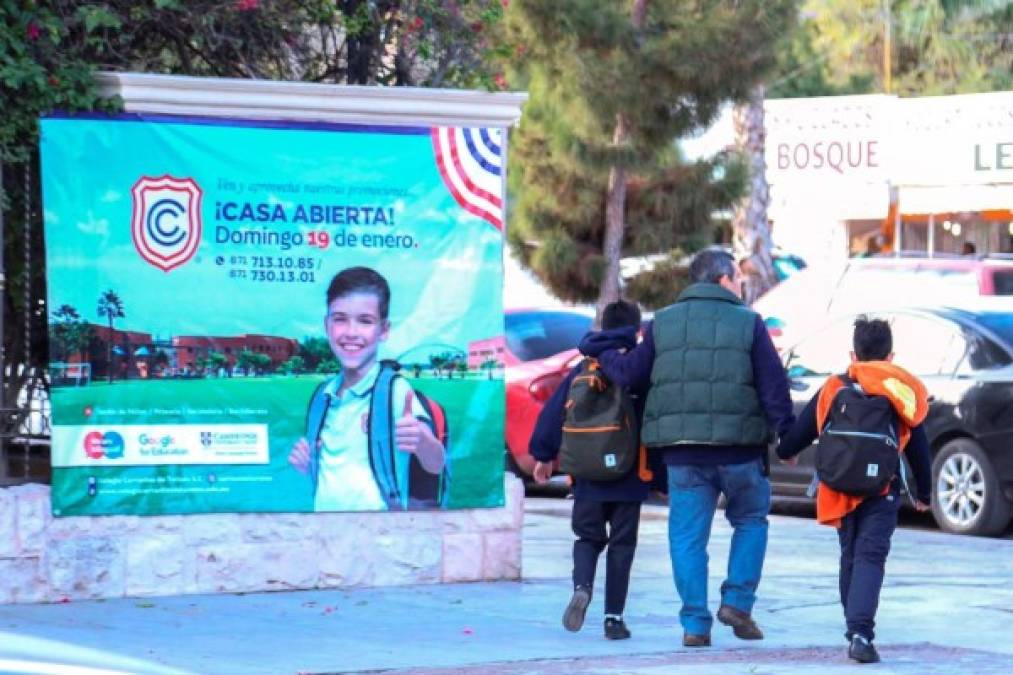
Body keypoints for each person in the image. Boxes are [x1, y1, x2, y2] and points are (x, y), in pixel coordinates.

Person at [580, 248, 794, 648]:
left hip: (682, 453)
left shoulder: (663, 322)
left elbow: (630, 373)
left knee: (686, 536)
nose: (742, 283)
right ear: (722, 280)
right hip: (740, 451)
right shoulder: (749, 323)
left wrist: (603, 349)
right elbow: (773, 387)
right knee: (750, 521)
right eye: (737, 276)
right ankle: (738, 601)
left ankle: (696, 624)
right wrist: (787, 436)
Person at [775, 316, 931, 664]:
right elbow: (919, 444)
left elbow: (800, 433)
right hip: (882, 487)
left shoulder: (835, 386)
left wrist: (785, 451)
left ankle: (854, 627)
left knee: (850, 554)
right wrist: (925, 493)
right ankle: (860, 633)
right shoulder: (901, 388)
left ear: (853, 354)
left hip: (839, 486)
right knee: (870, 556)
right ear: (891, 356)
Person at [530, 300, 658, 641]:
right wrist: (660, 476)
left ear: (602, 325)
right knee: (621, 546)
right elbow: (652, 417)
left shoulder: (584, 364)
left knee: (587, 538)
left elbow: (555, 410)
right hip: (630, 474)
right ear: (636, 330)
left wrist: (543, 455)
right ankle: (614, 619)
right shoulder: (637, 366)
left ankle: (582, 586)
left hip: (585, 472)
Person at [288, 266, 446, 511]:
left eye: (365, 321)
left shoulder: (396, 391)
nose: (351, 333)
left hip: (380, 535)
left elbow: (436, 463)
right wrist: (308, 464)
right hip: (324, 532)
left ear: (383, 330)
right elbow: (333, 474)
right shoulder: (322, 396)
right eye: (340, 319)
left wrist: (423, 441)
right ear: (327, 325)